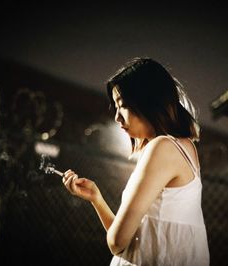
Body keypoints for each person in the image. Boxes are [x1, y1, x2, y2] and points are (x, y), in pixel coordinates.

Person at [62, 57, 210, 266]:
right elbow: (131, 240)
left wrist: (114, 235)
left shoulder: (162, 147)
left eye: (122, 105)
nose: (117, 117)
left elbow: (117, 243)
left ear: (148, 102)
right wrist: (96, 198)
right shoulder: (186, 148)